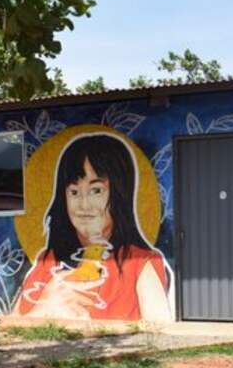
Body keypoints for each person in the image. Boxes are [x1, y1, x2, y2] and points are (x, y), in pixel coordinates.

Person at [17, 134, 172, 321]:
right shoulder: (46, 261)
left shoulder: (139, 263)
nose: (84, 205)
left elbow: (159, 332)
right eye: (74, 192)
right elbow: (8, 328)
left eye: (96, 190)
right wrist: (43, 310)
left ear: (120, 194)